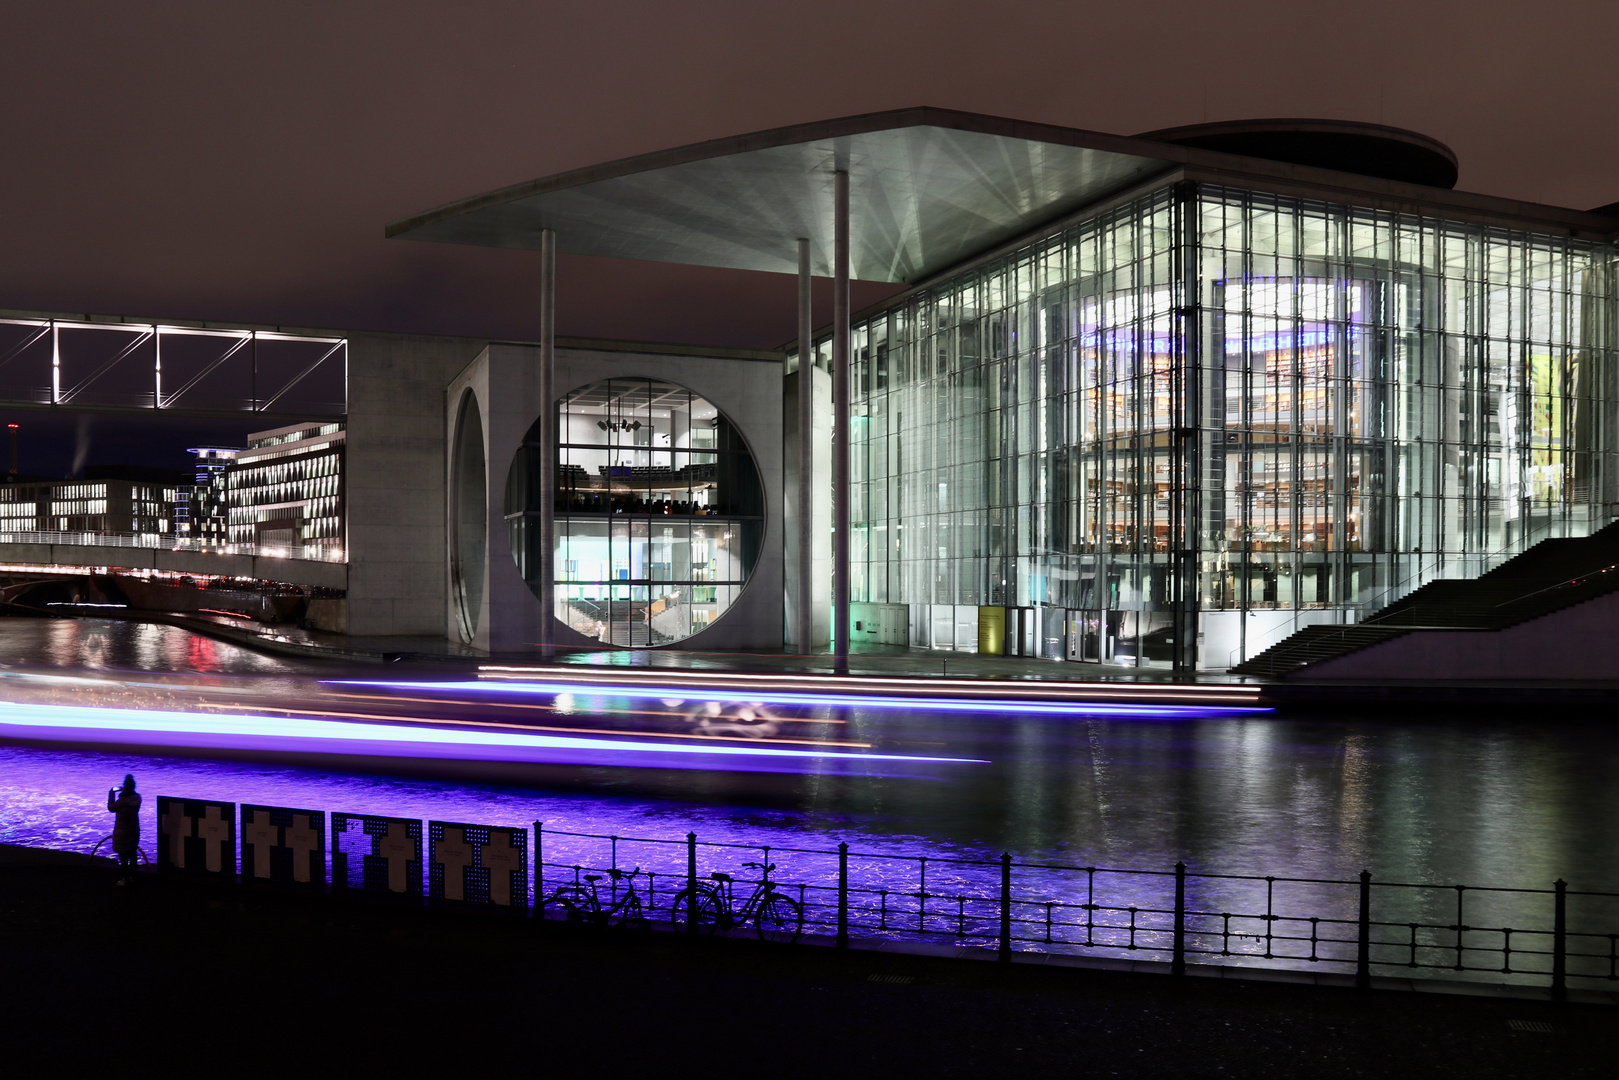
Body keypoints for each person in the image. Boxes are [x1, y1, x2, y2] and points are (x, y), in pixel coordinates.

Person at [106, 775, 141, 884]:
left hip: (122, 831)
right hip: (134, 830)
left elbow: (110, 808)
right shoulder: (137, 798)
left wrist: (111, 792)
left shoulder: (122, 801)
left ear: (125, 787)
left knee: (123, 856)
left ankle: (126, 879)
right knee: (133, 854)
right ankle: (134, 878)